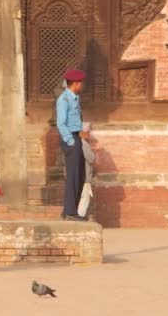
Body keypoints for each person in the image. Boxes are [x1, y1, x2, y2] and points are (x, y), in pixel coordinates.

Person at [56, 69, 87, 221]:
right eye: (80, 82)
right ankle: (69, 212)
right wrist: (71, 141)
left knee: (80, 175)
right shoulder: (64, 100)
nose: (82, 85)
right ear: (75, 83)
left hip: (76, 136)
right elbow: (61, 124)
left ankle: (71, 210)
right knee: (73, 176)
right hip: (70, 139)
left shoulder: (75, 98)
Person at [77, 122, 97, 221]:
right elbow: (92, 158)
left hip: (78, 176)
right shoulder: (83, 144)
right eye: (88, 132)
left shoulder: (75, 142)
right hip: (84, 176)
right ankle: (80, 217)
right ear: (83, 133)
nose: (89, 135)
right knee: (84, 198)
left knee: (80, 197)